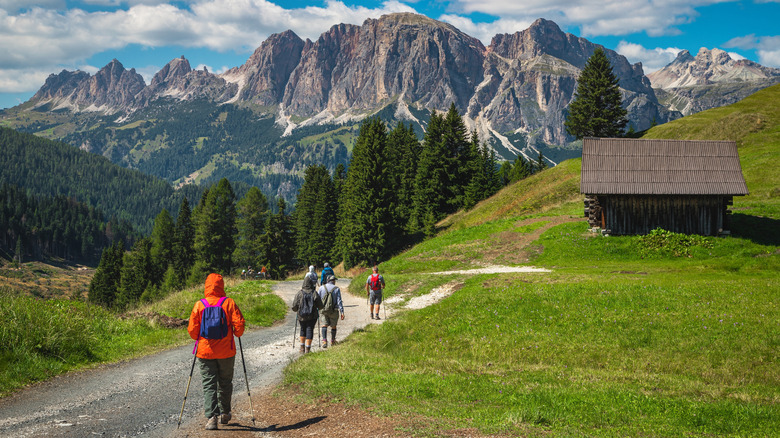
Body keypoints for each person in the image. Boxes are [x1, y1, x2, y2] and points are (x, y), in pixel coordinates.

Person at [187, 273, 246, 430]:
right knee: (225, 382)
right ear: (222, 285)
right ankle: (225, 414)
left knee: (209, 384)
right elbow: (239, 328)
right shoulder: (229, 303)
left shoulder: (200, 305)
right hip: (226, 352)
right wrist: (234, 332)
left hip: (205, 352)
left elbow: (193, 332)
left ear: (206, 286)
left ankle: (212, 418)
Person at [292, 278, 324, 353]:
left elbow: (294, 307)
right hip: (312, 316)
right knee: (310, 329)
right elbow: (320, 306)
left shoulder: (299, 293)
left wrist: (297, 309)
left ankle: (302, 348)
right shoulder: (314, 293)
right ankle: (307, 349)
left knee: (302, 329)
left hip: (301, 316)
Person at [317, 274, 344, 348]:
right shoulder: (336, 289)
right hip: (334, 310)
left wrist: (317, 309)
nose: (335, 281)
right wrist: (342, 312)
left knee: (324, 325)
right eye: (334, 280)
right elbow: (339, 301)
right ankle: (332, 341)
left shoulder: (321, 288)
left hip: (323, 310)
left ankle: (324, 341)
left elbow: (318, 299)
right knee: (333, 326)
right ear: (332, 281)